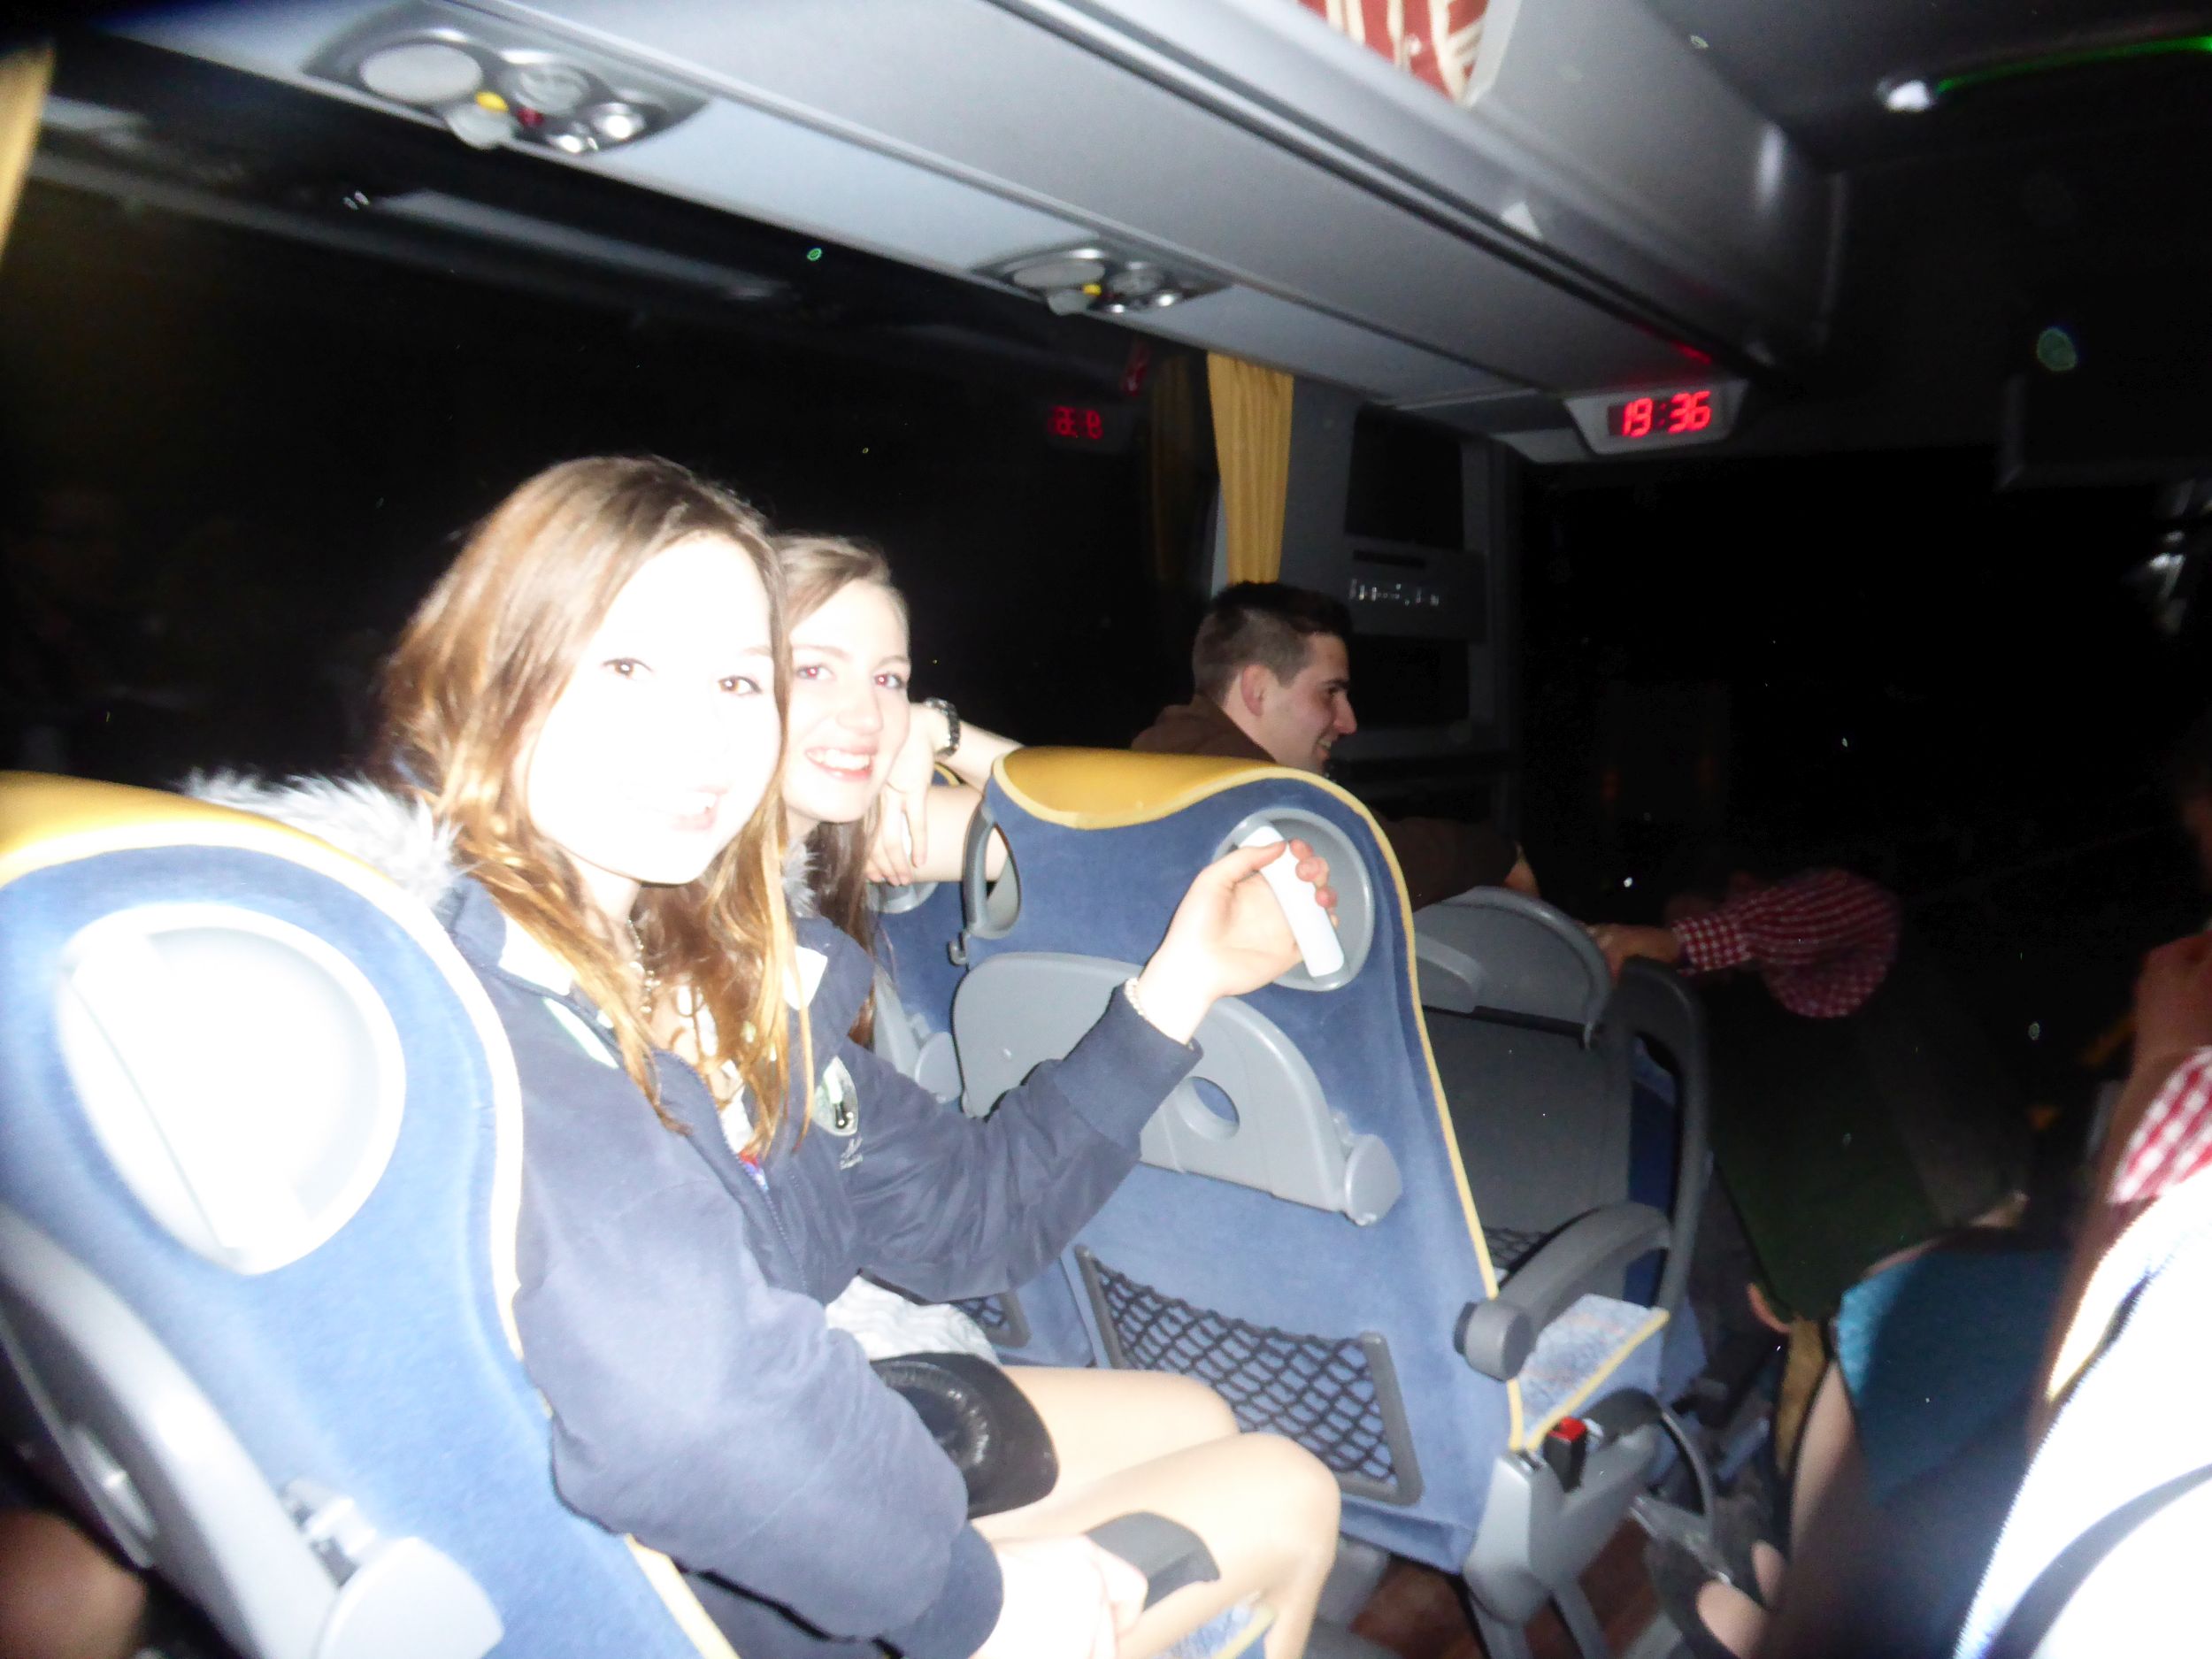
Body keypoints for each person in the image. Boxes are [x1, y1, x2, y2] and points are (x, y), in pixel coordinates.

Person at [219, 458, 1342, 1659]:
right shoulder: (471, 1006)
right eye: (628, 666)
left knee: (1196, 1415)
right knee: (1284, 1490)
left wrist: (1188, 981)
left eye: (738, 679)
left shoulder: (728, 977)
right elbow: (690, 1416)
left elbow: (973, 1214)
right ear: (495, 674)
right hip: (620, 1587)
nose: (701, 730)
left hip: (700, 1504)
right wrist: (973, 1604)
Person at [1131, 582, 1532, 910]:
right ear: (1258, 689)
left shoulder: (1160, 754)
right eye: (1329, 693)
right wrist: (1501, 852)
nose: (1348, 723)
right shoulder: (1248, 792)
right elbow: (1376, 858)